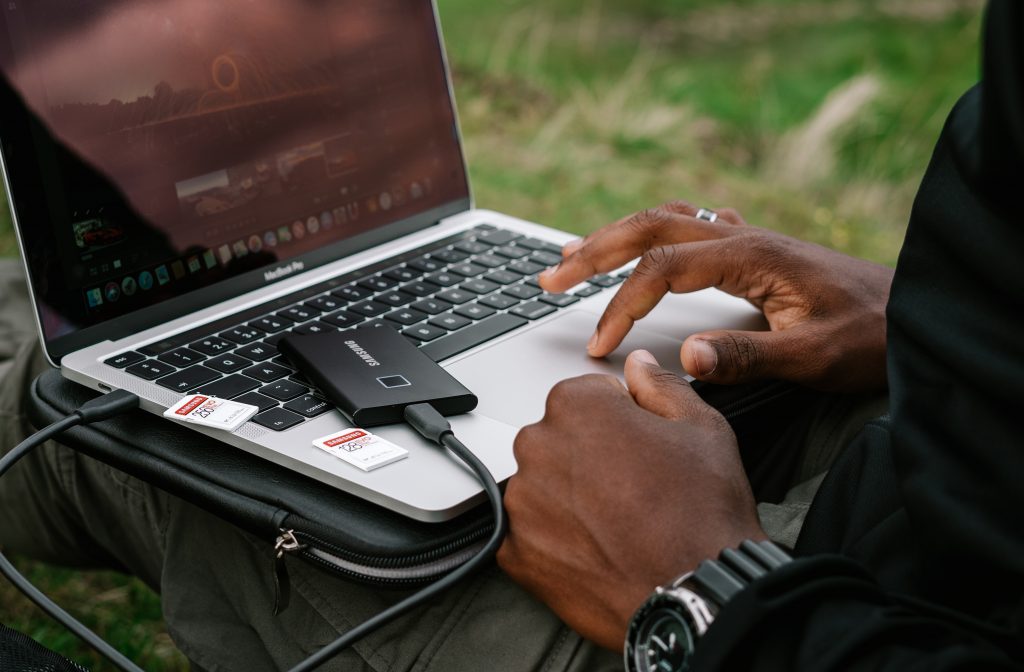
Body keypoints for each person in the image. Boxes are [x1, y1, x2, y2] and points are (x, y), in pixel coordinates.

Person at [1, 2, 1021, 671]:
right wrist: (925, 313)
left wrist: (710, 598)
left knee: (116, 437)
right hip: (904, 452)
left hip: (820, 611)